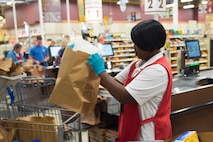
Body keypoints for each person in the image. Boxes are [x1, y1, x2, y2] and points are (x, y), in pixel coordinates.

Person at [87, 19, 173, 141]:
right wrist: (93, 71)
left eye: (137, 44)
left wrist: (100, 72)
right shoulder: (137, 64)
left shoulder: (158, 70)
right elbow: (114, 83)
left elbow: (125, 97)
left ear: (149, 45)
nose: (134, 48)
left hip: (149, 134)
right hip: (132, 127)